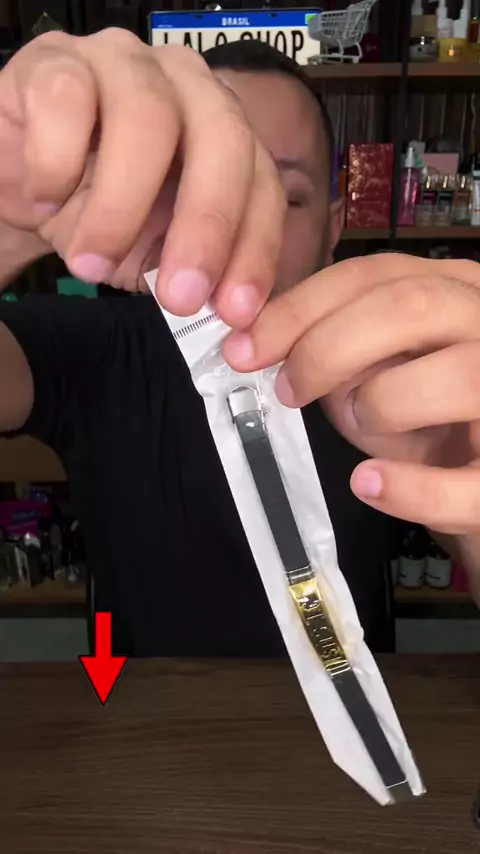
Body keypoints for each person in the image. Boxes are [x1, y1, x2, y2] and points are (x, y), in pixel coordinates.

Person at [0, 32, 479, 657]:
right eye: (200, 188)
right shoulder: (101, 347)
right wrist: (8, 224)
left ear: (332, 227)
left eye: (288, 197)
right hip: (138, 712)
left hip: (354, 711)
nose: (249, 227)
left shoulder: (395, 367)